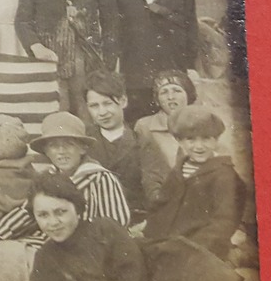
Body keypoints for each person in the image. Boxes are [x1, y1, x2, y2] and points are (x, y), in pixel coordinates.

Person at [21, 173, 239, 281]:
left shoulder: (103, 229)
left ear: (77, 209)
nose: (53, 222)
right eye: (43, 215)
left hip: (173, 269)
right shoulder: (47, 254)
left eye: (60, 212)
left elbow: (134, 275)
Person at [0, 112, 131, 242]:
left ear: (82, 148)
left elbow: (116, 226)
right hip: (48, 243)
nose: (61, 152)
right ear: (46, 151)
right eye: (54, 146)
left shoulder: (100, 179)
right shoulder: (46, 178)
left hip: (86, 248)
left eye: (69, 144)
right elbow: (26, 213)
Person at [143, 104, 247, 261]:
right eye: (190, 139)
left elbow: (223, 224)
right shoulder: (178, 171)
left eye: (206, 139)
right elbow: (160, 207)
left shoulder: (225, 176)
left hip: (200, 253)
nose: (199, 146)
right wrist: (151, 236)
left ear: (216, 140)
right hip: (165, 246)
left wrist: (185, 250)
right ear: (179, 141)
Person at [135, 70, 204, 208]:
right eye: (164, 92)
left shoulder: (203, 124)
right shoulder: (145, 127)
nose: (171, 97)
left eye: (177, 91)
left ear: (188, 95)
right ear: (157, 99)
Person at [83, 73, 146, 217]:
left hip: (133, 217)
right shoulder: (83, 142)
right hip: (92, 217)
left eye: (107, 103)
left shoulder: (141, 140)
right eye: (94, 106)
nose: (102, 112)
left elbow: (153, 186)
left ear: (123, 101)